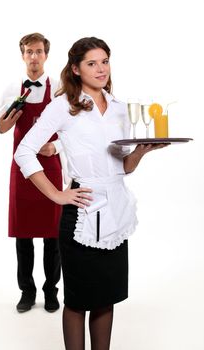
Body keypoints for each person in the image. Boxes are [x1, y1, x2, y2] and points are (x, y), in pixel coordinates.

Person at [14, 37, 167, 349]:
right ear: (76, 69)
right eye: (92, 63)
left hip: (115, 213)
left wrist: (141, 151)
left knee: (105, 298)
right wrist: (57, 194)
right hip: (81, 214)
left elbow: (122, 166)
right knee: (78, 300)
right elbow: (24, 152)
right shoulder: (62, 107)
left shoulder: (121, 109)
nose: (101, 69)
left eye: (105, 62)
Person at [0, 33, 63, 313]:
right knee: (23, 235)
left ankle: (51, 291)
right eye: (29, 52)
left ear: (46, 55)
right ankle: (27, 292)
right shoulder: (12, 88)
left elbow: (73, 129)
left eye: (39, 52)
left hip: (50, 168)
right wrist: (2, 127)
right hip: (21, 171)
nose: (34, 57)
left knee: (52, 235)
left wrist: (54, 146)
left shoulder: (59, 88)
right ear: (23, 56)